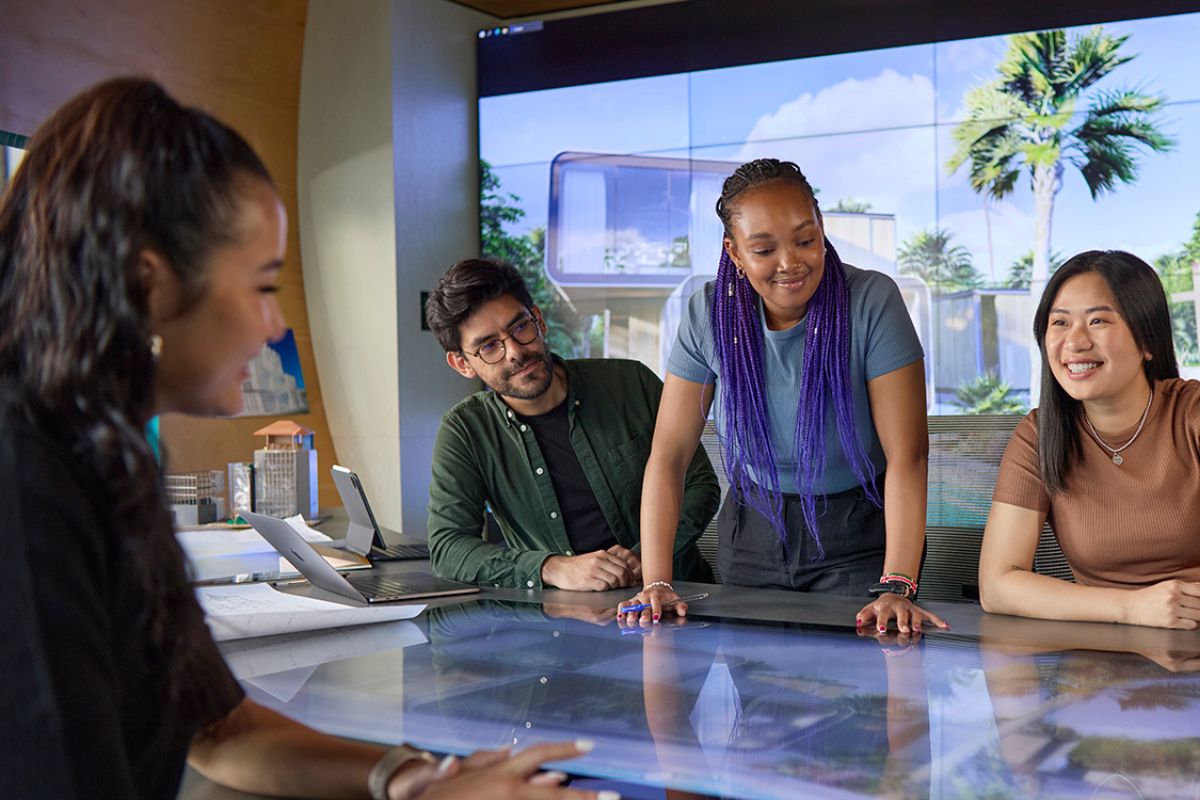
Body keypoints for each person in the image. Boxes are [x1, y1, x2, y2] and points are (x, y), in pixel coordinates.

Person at [0, 78, 613, 800]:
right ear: (148, 284)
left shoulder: (116, 453)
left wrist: (412, 779)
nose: (273, 328)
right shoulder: (24, 477)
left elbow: (223, 728)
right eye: (262, 285)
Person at [620, 158, 947, 634]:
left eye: (805, 239)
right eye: (764, 248)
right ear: (734, 253)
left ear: (821, 226)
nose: (791, 262)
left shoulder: (873, 301)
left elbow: (909, 456)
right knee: (759, 695)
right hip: (752, 530)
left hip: (857, 532)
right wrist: (656, 582)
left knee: (862, 691)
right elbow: (669, 455)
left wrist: (896, 586)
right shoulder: (707, 315)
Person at [424, 258, 719, 591]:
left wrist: (647, 557)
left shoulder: (630, 383)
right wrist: (551, 568)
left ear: (538, 320)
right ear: (462, 363)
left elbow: (701, 486)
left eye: (521, 327)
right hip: (561, 619)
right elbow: (448, 547)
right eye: (489, 346)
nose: (514, 353)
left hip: (675, 597)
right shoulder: (466, 430)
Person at [979, 250, 1200, 629]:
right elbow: (998, 585)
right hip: (1101, 654)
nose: (1075, 342)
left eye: (1098, 321)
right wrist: (1131, 608)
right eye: (1060, 323)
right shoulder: (1039, 434)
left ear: (1147, 340)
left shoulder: (1190, 414)